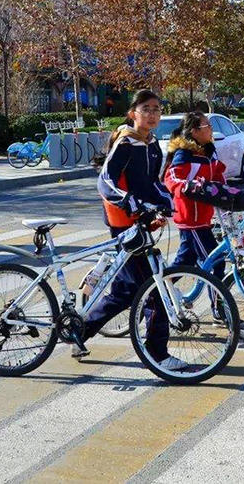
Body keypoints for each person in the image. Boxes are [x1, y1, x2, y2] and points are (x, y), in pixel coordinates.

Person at [77, 89, 179, 367]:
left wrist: (167, 203)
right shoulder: (126, 142)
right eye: (146, 109)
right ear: (133, 113)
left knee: (125, 291)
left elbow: (153, 184)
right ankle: (157, 354)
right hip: (123, 222)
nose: (152, 114)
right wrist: (129, 202)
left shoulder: (153, 144)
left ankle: (77, 330)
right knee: (152, 290)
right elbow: (105, 182)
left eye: (157, 109)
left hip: (140, 223)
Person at [163, 111, 227, 283]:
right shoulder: (184, 154)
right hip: (191, 219)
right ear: (194, 131)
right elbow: (171, 178)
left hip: (202, 218)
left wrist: (228, 193)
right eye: (208, 125)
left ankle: (155, 296)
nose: (211, 129)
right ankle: (220, 307)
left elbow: (217, 177)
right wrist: (186, 185)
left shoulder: (206, 153)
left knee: (185, 262)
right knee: (216, 263)